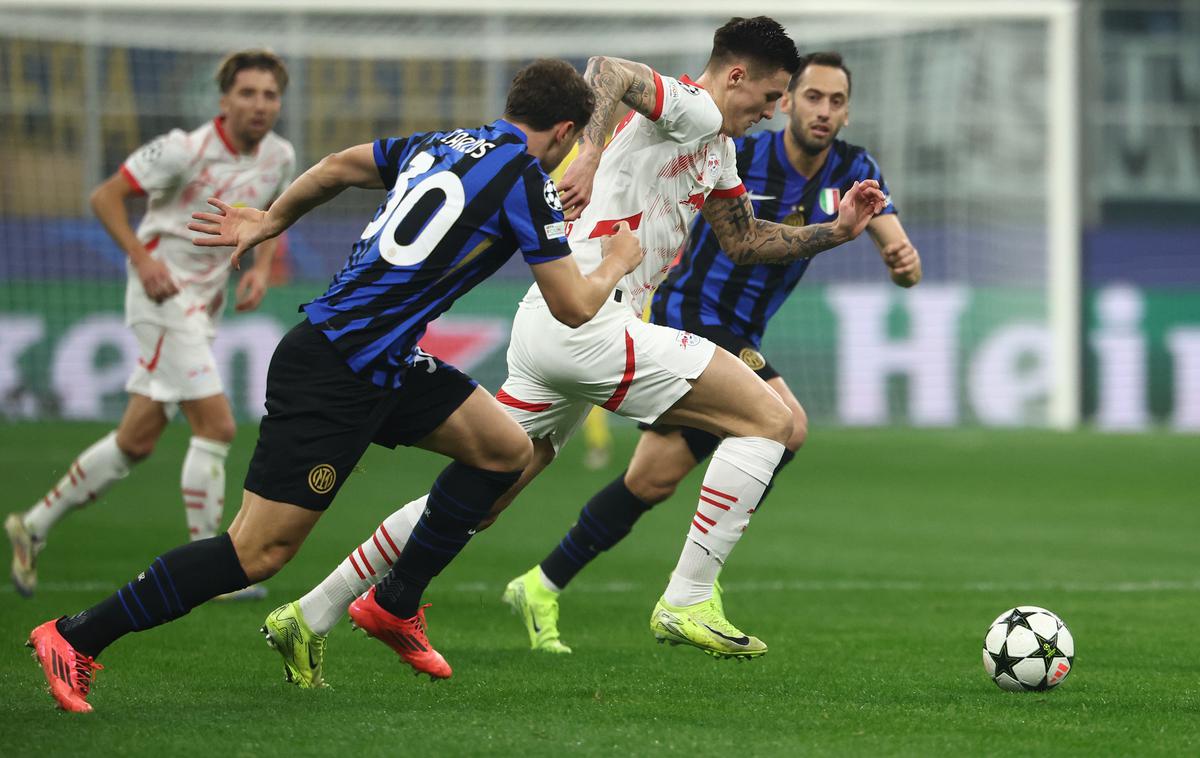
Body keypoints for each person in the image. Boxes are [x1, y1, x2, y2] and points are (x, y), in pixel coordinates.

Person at [265, 17, 889, 690]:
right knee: (770, 420)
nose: (774, 114)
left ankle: (310, 612)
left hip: (560, 325)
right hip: (589, 320)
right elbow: (608, 69)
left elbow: (742, 240)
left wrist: (837, 229)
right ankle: (687, 599)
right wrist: (588, 152)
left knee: (482, 495)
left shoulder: (718, 147)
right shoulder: (692, 104)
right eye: (770, 97)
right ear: (735, 76)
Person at [27, 58, 642, 713]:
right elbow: (573, 306)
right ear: (566, 131)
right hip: (336, 367)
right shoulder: (525, 175)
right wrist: (616, 262)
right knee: (257, 554)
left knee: (504, 450)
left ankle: (394, 602)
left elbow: (336, 168)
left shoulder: (441, 142)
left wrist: (270, 219)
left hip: (382, 359)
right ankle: (75, 636)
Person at [509, 51, 923, 653]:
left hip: (744, 331)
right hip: (692, 314)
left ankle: (541, 583)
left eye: (836, 102)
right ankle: (698, 583)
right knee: (787, 424)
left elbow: (891, 242)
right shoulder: (741, 147)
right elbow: (735, 232)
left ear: (847, 111)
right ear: (786, 103)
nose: (823, 111)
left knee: (650, 481)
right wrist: (595, 151)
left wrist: (901, 260)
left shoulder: (854, 168)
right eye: (811, 97)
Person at [5, 50, 295, 602]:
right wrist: (143, 258)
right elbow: (104, 195)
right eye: (248, 93)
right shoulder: (183, 150)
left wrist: (259, 268)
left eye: (270, 95)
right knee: (217, 426)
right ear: (223, 100)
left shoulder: (279, 155)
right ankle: (211, 572)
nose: (260, 105)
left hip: (204, 305)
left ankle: (33, 525)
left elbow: (270, 215)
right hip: (160, 296)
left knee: (136, 440)